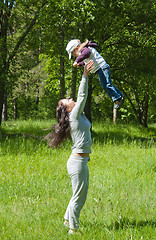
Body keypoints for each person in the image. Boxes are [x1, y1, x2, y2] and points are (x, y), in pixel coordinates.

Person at [45, 60, 95, 235]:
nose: (72, 99)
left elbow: (79, 99)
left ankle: (67, 220)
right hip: (78, 162)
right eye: (68, 100)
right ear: (67, 109)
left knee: (78, 194)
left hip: (80, 161)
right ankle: (73, 230)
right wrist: (85, 76)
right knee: (80, 197)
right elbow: (82, 96)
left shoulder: (77, 116)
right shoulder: (74, 116)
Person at [66, 39, 125, 109]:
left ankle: (117, 99)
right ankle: (120, 96)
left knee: (106, 85)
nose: (75, 56)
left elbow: (86, 53)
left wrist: (77, 60)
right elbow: (86, 60)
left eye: (73, 54)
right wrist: (80, 64)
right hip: (100, 69)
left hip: (102, 68)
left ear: (76, 48)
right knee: (107, 84)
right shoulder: (83, 52)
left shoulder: (85, 49)